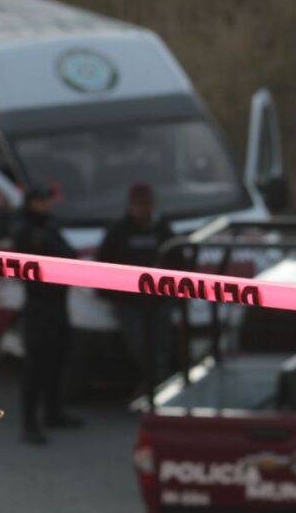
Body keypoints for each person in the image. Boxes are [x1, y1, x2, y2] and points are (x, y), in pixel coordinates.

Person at [14, 184, 83, 445]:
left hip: (57, 303)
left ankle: (53, 413)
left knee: (57, 360)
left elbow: (69, 253)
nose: (45, 205)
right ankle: (29, 424)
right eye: (40, 201)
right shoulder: (25, 230)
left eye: (47, 200)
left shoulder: (50, 226)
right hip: (38, 305)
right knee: (35, 367)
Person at [96, 183, 181, 386]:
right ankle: (155, 385)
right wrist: (117, 296)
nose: (143, 209)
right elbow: (103, 266)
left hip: (160, 301)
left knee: (162, 347)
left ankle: (160, 385)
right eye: (139, 205)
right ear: (130, 206)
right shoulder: (118, 231)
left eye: (147, 204)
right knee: (140, 347)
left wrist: (173, 295)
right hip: (130, 303)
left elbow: (178, 262)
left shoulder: (162, 230)